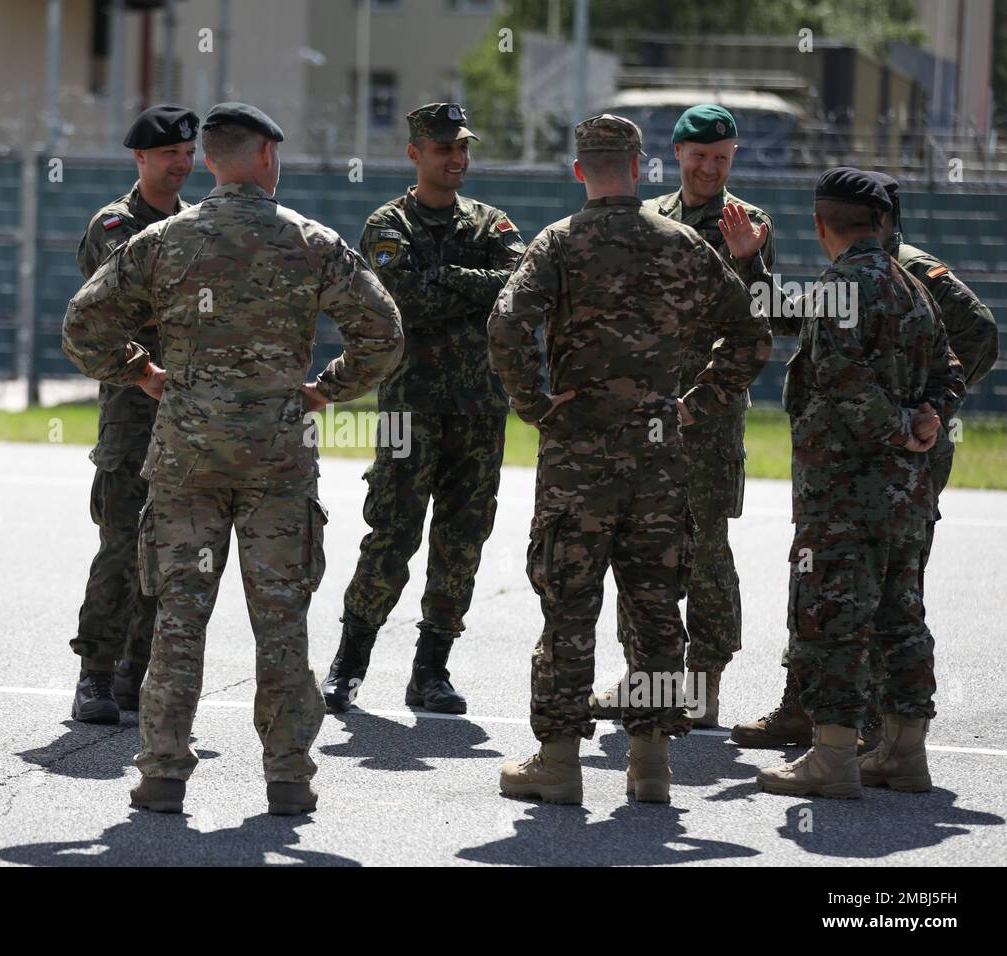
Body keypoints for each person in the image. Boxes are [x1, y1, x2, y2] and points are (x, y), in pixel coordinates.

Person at [62, 102, 404, 816]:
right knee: (281, 624)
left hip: (186, 456)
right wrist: (323, 392)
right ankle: (286, 777)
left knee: (179, 620)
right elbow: (384, 335)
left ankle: (161, 772)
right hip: (277, 460)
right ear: (268, 155)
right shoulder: (310, 241)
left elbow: (82, 325)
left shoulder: (166, 240)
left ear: (210, 159)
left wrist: (142, 373)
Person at [488, 115, 770, 805]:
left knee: (569, 607)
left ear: (580, 170)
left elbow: (504, 324)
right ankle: (650, 764)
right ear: (643, 168)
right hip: (658, 455)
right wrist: (693, 404)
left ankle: (558, 762)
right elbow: (750, 334)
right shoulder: (682, 244)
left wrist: (535, 404)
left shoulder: (559, 242)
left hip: (578, 458)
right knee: (655, 612)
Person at [720, 168, 964, 798]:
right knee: (900, 617)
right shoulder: (912, 287)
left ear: (820, 224)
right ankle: (904, 753)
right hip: (905, 493)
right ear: (880, 223)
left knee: (832, 616)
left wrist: (901, 426)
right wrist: (927, 419)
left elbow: (841, 382)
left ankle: (832, 757)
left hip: (844, 493)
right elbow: (951, 368)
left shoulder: (841, 287)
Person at [322, 102, 525, 716]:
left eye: (462, 148)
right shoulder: (388, 224)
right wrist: (469, 286)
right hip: (408, 409)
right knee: (391, 534)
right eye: (444, 149)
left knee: (462, 539)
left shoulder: (491, 222)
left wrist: (443, 279)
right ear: (415, 154)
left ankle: (430, 670)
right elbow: (402, 295)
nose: (457, 159)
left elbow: (518, 283)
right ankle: (348, 665)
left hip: (479, 409)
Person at [591, 105, 775, 728]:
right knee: (639, 544)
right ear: (676, 154)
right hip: (648, 406)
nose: (709, 168)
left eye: (722, 157)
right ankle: (645, 677)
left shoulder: (746, 224)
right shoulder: (648, 218)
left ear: (734, 157)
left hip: (708, 414)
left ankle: (704, 681)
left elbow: (762, 322)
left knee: (706, 550)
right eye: (699, 156)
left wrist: (748, 261)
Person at [70, 103, 199, 724]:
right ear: (140, 158)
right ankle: (94, 672)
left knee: (169, 547)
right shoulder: (117, 224)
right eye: (169, 153)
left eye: (188, 153)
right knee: (122, 544)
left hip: (187, 410)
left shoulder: (196, 224)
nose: (182, 163)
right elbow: (118, 308)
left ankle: (135, 671)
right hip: (132, 402)